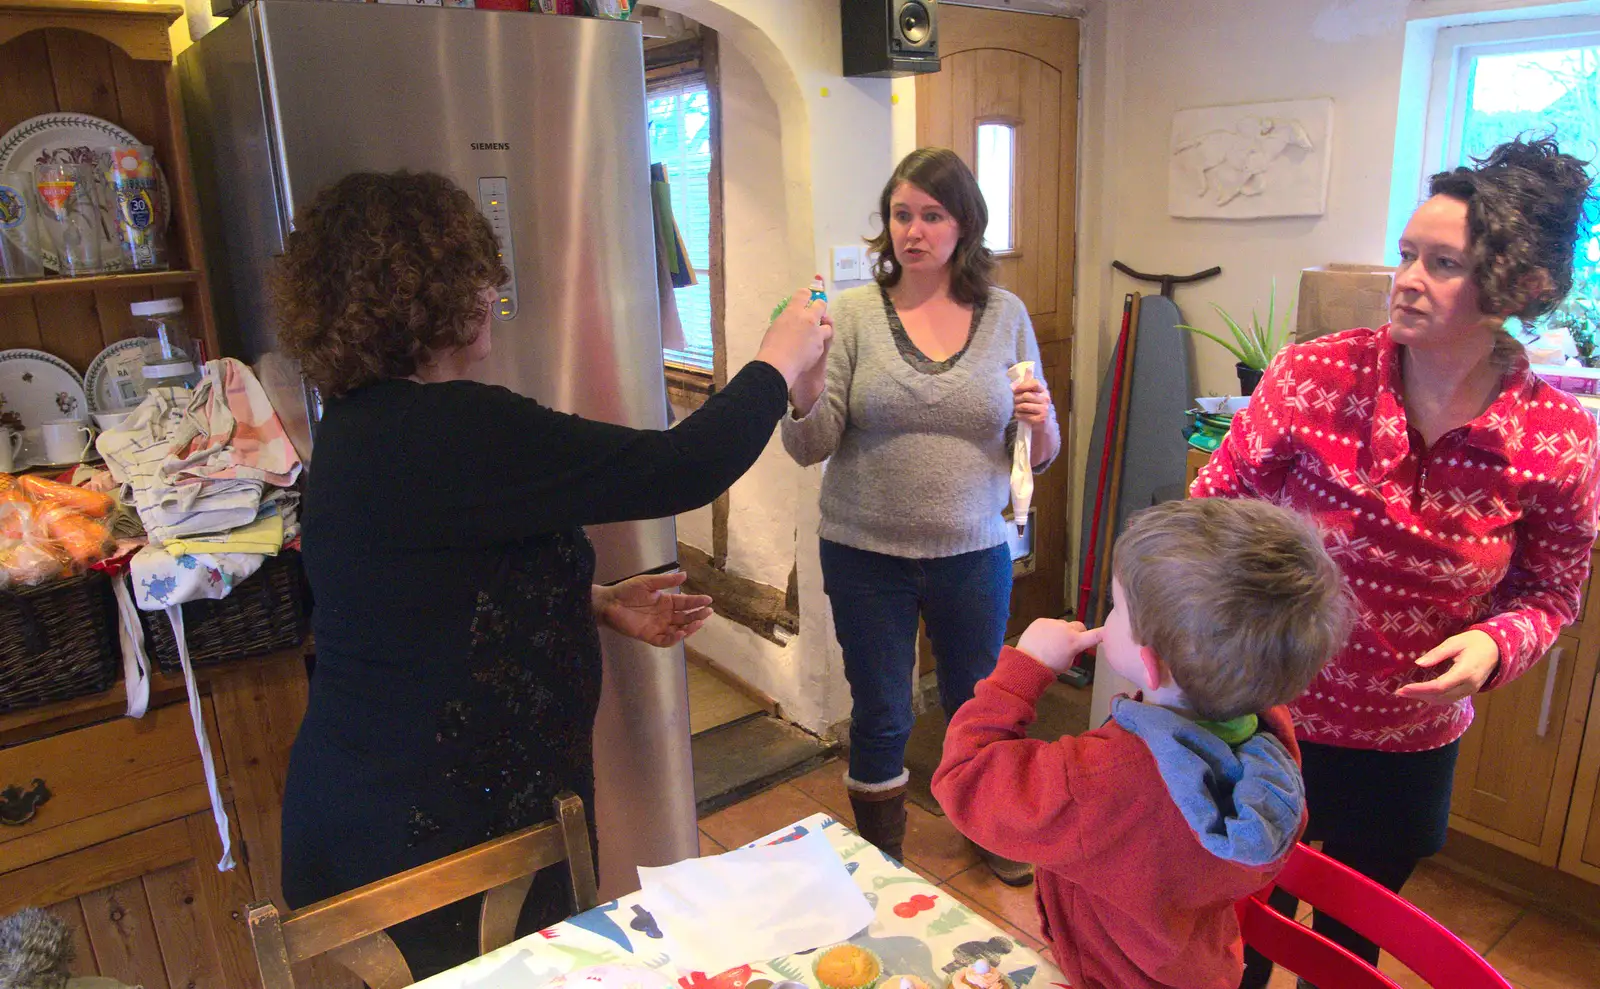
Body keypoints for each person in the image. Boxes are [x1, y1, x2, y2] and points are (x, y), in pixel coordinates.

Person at [274, 171, 831, 978]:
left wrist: (594, 603)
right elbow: (681, 468)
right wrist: (776, 362)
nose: (493, 290)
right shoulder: (456, 427)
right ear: (433, 292)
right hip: (437, 845)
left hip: (374, 816)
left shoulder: (363, 429)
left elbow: (425, 598)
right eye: (478, 272)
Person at [1191, 137, 1600, 985]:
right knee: (1235, 932)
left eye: (1442, 263)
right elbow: (1211, 508)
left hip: (1407, 743)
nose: (1407, 277)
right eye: (1408, 253)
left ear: (1520, 286)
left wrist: (1496, 646)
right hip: (1267, 718)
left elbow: (1552, 592)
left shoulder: (1558, 441)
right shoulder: (1316, 376)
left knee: (1347, 942)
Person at [781, 147, 1060, 884]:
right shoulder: (852, 315)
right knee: (881, 709)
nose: (914, 230)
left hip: (973, 551)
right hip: (864, 550)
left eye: (932, 215)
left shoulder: (1007, 316)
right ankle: (883, 856)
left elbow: (1040, 452)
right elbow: (810, 446)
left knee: (979, 702)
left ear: (964, 224)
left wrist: (1043, 419)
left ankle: (990, 826)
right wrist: (803, 387)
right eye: (902, 214)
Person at [932, 498, 1351, 989]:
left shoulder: (1100, 779)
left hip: (1114, 976)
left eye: (1116, 606)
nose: (1107, 617)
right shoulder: (1272, 742)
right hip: (1202, 966)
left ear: (1149, 663)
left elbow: (965, 778)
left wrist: (1025, 669)